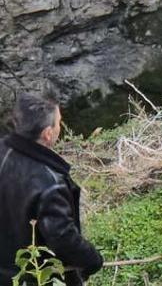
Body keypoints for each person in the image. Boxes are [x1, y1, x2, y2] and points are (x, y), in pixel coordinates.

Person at [0, 93, 103, 286]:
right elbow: (62, 236)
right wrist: (92, 260)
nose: (60, 128)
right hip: (33, 277)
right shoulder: (49, 183)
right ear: (48, 133)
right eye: (59, 123)